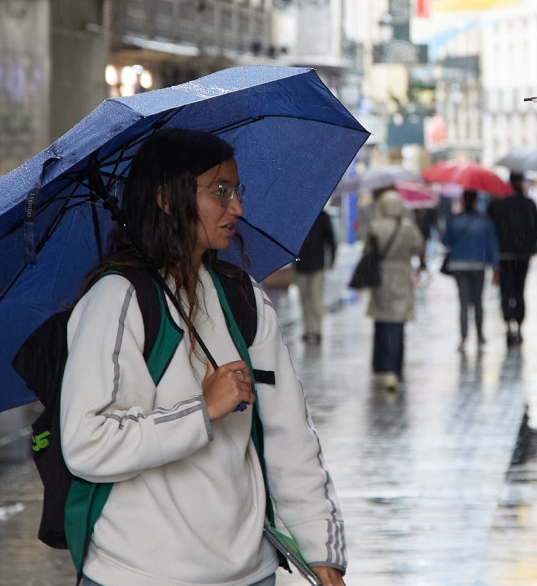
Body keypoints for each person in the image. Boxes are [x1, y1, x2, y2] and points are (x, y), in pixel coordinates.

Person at [59, 129, 347, 586]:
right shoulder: (116, 300)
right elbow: (86, 443)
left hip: (251, 573)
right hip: (139, 573)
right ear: (168, 199)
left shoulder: (243, 298)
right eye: (220, 191)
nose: (238, 208)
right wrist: (201, 411)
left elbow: (288, 434)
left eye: (237, 190)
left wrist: (320, 549)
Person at [365, 190, 425, 391]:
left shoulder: (375, 227)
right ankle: (394, 368)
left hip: (380, 279)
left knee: (382, 322)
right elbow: (418, 246)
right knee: (397, 325)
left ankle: (381, 364)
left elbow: (367, 251)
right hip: (401, 277)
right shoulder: (407, 229)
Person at [486, 171, 537, 346]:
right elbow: (536, 229)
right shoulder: (528, 204)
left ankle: (509, 322)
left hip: (503, 253)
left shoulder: (496, 203)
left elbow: (490, 229)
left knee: (505, 290)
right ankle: (518, 322)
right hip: (522, 254)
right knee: (519, 289)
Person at [443, 189, 500, 351]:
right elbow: (492, 245)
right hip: (478, 264)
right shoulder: (485, 221)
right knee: (478, 301)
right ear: (476, 201)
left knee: (463, 302)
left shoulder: (454, 220)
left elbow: (447, 241)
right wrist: (495, 267)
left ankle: (463, 337)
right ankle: (480, 335)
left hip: (459, 264)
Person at [295, 208, 336, 344]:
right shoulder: (298, 216)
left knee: (315, 298)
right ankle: (308, 330)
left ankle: (316, 330)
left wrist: (332, 259)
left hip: (316, 264)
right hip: (301, 264)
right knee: (305, 298)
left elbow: (330, 238)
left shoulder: (322, 216)